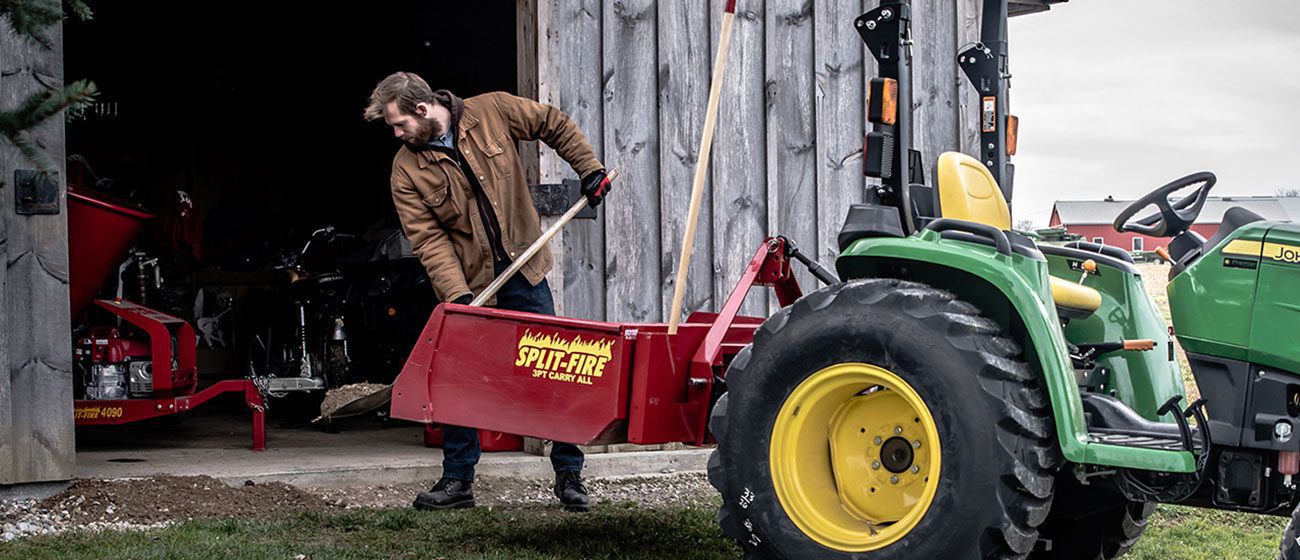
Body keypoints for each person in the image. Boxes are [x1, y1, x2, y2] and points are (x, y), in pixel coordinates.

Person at [363, 72, 611, 512]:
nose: (397, 134)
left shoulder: (492, 110)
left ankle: (570, 477)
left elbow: (551, 123)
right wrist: (456, 296)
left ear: (423, 110)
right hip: (472, 284)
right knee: (461, 381)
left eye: (399, 124)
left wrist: (588, 169)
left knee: (553, 372)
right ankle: (458, 482)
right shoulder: (406, 169)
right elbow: (428, 239)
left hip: (525, 270)